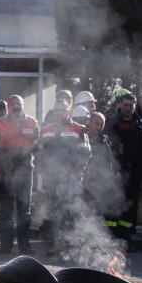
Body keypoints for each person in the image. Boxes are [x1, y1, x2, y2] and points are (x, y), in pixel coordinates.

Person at [37, 90, 91, 258]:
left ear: (69, 111)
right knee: (55, 213)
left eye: (64, 110)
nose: (60, 113)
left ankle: (74, 248)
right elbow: (40, 154)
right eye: (57, 110)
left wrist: (75, 173)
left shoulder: (79, 129)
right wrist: (44, 172)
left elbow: (85, 154)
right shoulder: (46, 130)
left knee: (73, 212)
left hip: (72, 180)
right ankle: (55, 245)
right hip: (52, 180)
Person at [0, 95, 39, 254]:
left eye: (19, 103)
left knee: (24, 208)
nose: (16, 106)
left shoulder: (32, 122)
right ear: (8, 106)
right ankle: (6, 245)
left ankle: (24, 245)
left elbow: (37, 144)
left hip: (25, 169)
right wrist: (3, 161)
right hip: (6, 169)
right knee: (5, 209)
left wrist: (27, 154)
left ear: (23, 105)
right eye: (13, 103)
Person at [108, 91, 142, 248]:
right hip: (115, 171)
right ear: (120, 105)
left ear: (135, 106)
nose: (128, 108)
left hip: (135, 172)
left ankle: (126, 239)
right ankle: (110, 240)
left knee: (130, 206)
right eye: (125, 105)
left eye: (131, 105)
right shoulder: (111, 123)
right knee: (113, 203)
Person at [83, 112, 120, 233]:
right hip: (81, 181)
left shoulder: (104, 141)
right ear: (89, 122)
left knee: (97, 212)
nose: (99, 127)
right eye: (96, 124)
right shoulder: (80, 136)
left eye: (101, 124)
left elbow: (109, 162)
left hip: (97, 183)